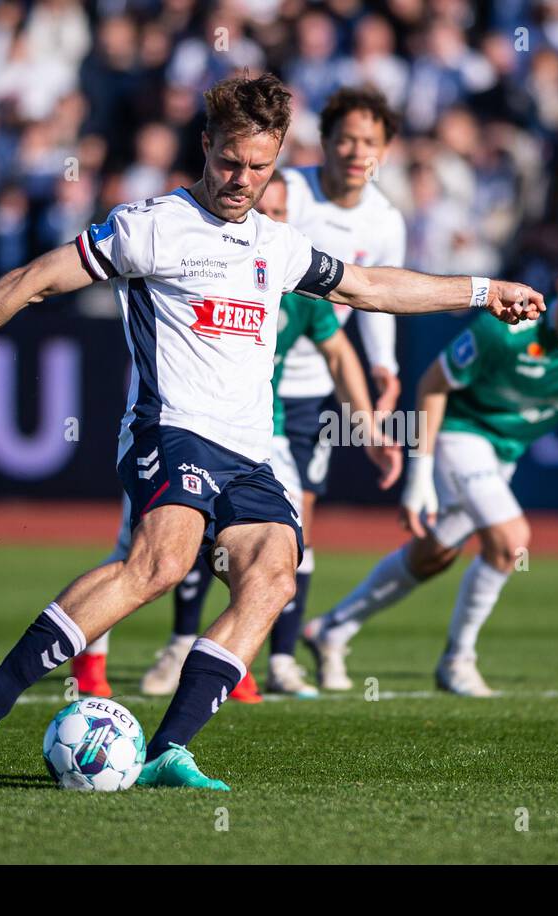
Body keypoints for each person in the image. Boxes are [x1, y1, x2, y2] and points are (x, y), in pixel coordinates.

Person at [0, 73, 543, 789]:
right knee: (162, 563)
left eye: (259, 166)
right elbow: (35, 280)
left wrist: (482, 289)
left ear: (279, 156)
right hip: (169, 428)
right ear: (206, 145)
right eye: (229, 160)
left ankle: (167, 750)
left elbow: (371, 287)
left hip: (248, 451)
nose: (241, 178)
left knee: (274, 574)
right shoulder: (151, 224)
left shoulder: (277, 244)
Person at [70, 170, 402, 701]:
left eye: (291, 212)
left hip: (250, 436)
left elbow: (340, 349)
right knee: (142, 553)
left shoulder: (291, 276)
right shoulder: (192, 248)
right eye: (275, 207)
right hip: (175, 426)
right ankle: (99, 656)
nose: (280, 219)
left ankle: (236, 655)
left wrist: (367, 428)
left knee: (271, 544)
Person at [304, 229, 558, 695]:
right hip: (460, 436)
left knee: (433, 555)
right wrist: (421, 475)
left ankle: (331, 630)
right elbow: (433, 385)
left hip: (505, 454)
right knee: (512, 541)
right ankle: (458, 662)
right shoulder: (509, 329)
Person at [135, 87, 409, 700]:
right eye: (346, 138)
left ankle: (273, 654)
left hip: (298, 395)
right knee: (169, 539)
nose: (357, 151)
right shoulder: (284, 193)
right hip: (217, 388)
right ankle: (184, 642)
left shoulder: (380, 222)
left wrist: (383, 369)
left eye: (370, 141)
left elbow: (369, 295)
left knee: (284, 532)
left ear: (385, 150)